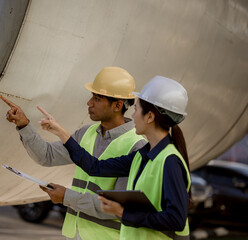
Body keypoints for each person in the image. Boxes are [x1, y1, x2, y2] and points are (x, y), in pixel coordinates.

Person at [38, 76, 191, 240]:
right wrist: (61, 133)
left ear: (150, 117)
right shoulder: (142, 155)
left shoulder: (170, 161)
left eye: (136, 109)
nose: (133, 116)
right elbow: (95, 167)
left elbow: (176, 220)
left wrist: (123, 212)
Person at [2, 66, 146, 240]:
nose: (89, 103)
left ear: (117, 105)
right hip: (77, 235)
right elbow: (46, 156)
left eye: (97, 98)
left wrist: (66, 197)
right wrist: (24, 125)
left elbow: (117, 208)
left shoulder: (136, 145)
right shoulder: (86, 133)